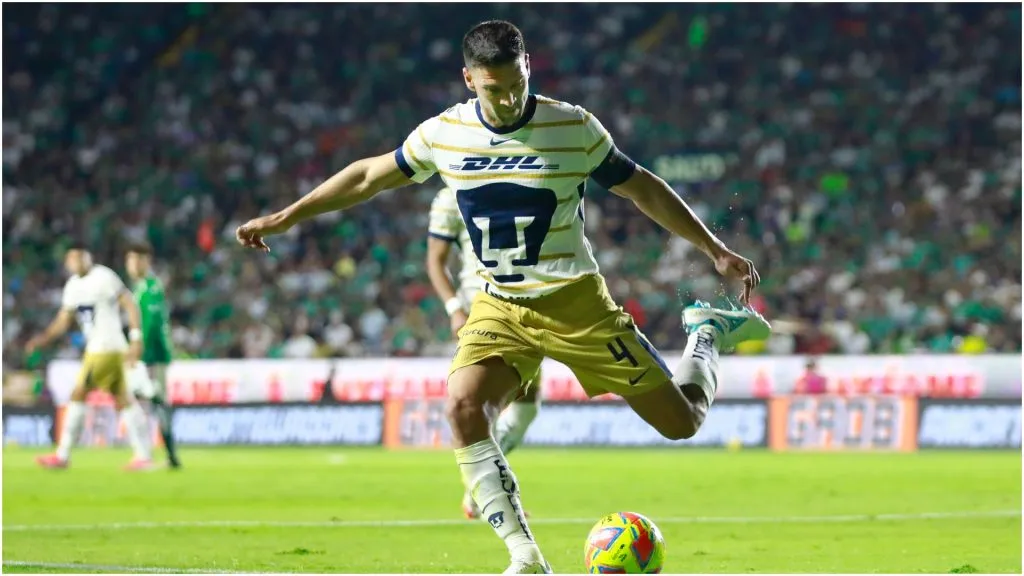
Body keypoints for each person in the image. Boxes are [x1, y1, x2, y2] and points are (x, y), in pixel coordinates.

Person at [236, 20, 770, 574]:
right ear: (469, 79)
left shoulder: (573, 127)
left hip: (574, 302)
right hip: (499, 305)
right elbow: (369, 175)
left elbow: (643, 188)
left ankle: (704, 332)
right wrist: (285, 217)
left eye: (517, 81)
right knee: (464, 407)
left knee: (681, 422)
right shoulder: (444, 134)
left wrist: (714, 249)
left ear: (528, 66)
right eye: (494, 87)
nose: (510, 96)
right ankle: (526, 557)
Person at [426, 186, 543, 520]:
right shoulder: (451, 194)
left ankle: (481, 490)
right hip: (483, 309)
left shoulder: (520, 178)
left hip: (527, 306)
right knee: (484, 405)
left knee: (525, 409)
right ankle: (488, 493)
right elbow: (435, 260)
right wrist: (453, 308)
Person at [26, 242, 153, 471]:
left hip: (107, 346)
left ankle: (63, 455)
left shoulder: (104, 277)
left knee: (79, 393)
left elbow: (130, 304)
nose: (79, 262)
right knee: (123, 399)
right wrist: (42, 339)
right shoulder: (73, 286)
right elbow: (64, 320)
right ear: (68, 263)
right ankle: (143, 455)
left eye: (82, 257)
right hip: (97, 348)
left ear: (89, 257)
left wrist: (135, 337)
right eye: (74, 258)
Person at [125, 243, 182, 469]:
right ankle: (164, 455)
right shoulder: (141, 287)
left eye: (137, 260)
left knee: (154, 401)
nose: (132, 264)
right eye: (130, 260)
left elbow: (151, 325)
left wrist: (138, 352)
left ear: (146, 261)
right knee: (150, 401)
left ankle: (159, 455)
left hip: (152, 356)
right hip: (148, 356)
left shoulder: (150, 288)